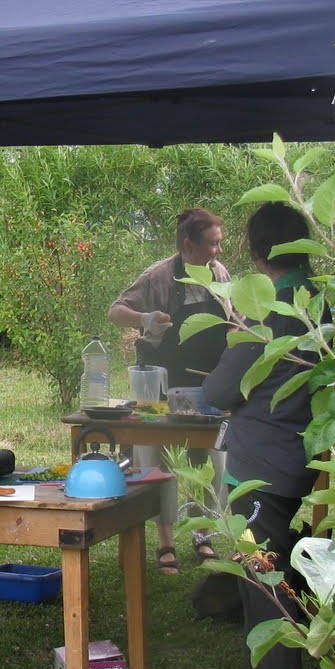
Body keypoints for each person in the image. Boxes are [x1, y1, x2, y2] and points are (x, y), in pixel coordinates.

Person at [203, 201, 321, 669]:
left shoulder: (269, 309)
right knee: (282, 573)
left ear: (256, 252)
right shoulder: (317, 299)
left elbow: (219, 390)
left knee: (263, 582)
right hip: (301, 457)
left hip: (261, 468)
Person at [107, 208, 231, 577]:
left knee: (211, 463)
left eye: (220, 243)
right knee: (157, 464)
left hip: (208, 386)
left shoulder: (219, 274)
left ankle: (203, 534)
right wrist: (144, 319)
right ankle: (165, 542)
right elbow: (116, 311)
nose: (218, 251)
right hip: (159, 386)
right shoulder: (158, 276)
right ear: (188, 244)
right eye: (213, 244)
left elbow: (234, 319)